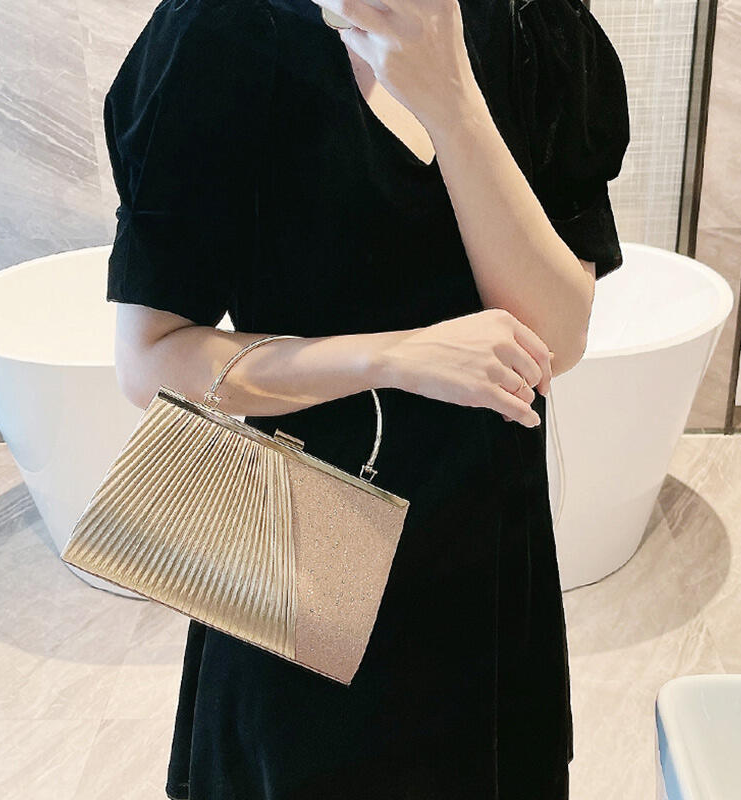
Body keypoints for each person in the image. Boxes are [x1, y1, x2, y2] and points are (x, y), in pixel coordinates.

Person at [103, 0, 630, 796]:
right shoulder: (223, 31)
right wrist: (393, 358)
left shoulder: (533, 21)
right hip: (302, 545)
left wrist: (452, 101)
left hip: (488, 556)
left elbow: (556, 337)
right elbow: (150, 359)